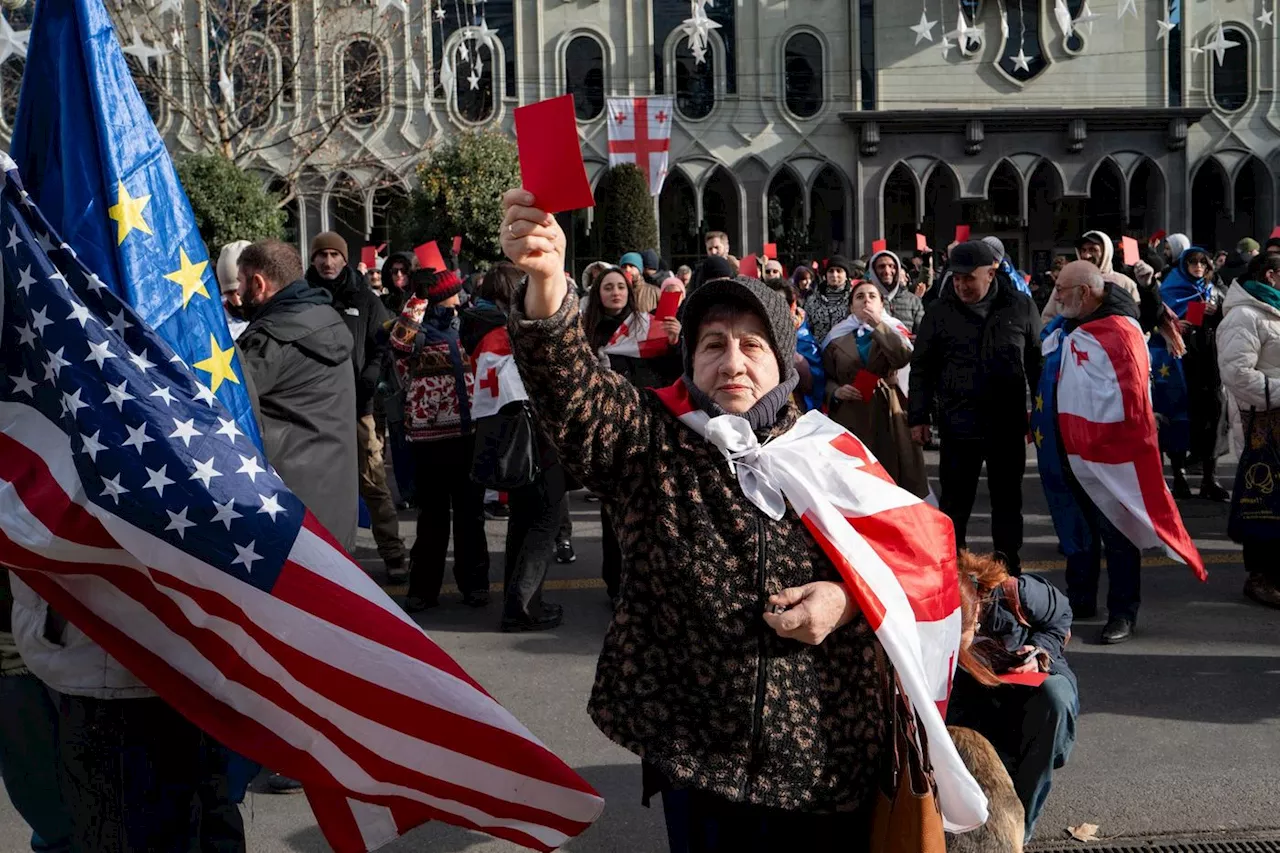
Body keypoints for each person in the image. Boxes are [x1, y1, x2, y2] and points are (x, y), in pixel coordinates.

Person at [500, 189, 897, 851]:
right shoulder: (649, 438)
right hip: (701, 759)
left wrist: (846, 599)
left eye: (750, 344)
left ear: (781, 361)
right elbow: (571, 390)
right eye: (713, 344)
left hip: (829, 756)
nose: (733, 360)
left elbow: (912, 561)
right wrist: (546, 284)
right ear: (691, 359)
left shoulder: (835, 453)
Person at [908, 240, 1042, 575]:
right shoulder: (939, 312)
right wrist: (918, 417)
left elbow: (1037, 365)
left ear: (991, 273)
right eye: (956, 278)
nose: (962, 285)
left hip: (1007, 423)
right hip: (958, 423)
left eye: (969, 278)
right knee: (955, 504)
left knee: (1008, 503)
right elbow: (921, 368)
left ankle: (1008, 573)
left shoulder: (1021, 307)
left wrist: (1041, 418)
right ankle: (953, 574)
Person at [1032, 262, 1147, 643]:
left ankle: (1123, 611)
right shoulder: (1062, 327)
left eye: (1062, 290)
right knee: (1075, 527)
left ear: (1085, 292)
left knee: (1117, 531)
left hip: (1106, 450)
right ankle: (1080, 600)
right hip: (1064, 444)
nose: (1056, 296)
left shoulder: (1121, 330)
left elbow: (1130, 393)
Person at [462, 263, 566, 630]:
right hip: (532, 437)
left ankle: (518, 601)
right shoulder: (508, 332)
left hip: (506, 435)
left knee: (523, 521)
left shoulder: (482, 330)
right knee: (544, 518)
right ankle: (522, 606)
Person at [238, 239, 358, 550]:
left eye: (240, 281)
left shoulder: (271, 339)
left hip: (288, 505)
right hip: (336, 500)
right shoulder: (327, 318)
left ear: (259, 283)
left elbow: (229, 403)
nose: (237, 292)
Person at [948, 552, 1077, 842]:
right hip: (977, 695)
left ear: (975, 613)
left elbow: (1062, 616)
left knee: (1054, 698)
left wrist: (1039, 650)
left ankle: (1021, 832)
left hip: (1031, 689)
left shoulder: (1017, 594)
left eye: (961, 633)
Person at [390, 268, 492, 613]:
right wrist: (418, 298)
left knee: (470, 517)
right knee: (432, 518)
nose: (459, 298)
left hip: (467, 435)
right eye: (453, 294)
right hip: (429, 439)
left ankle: (475, 584)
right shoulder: (419, 331)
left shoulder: (466, 325)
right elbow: (399, 341)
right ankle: (423, 589)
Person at [305, 232, 407, 577]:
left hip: (359, 410)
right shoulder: (303, 298)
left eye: (335, 254)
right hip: (316, 411)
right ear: (313, 259)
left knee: (374, 483)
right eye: (322, 255)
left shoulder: (365, 299)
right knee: (321, 488)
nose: (328, 261)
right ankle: (327, 560)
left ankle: (393, 554)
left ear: (345, 259)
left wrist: (372, 373)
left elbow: (383, 342)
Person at [581, 265, 682, 601]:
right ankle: (616, 583)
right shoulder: (586, 331)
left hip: (647, 424)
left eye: (621, 287)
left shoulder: (646, 325)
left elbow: (671, 374)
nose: (615, 293)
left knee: (650, 507)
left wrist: (674, 342)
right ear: (598, 293)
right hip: (608, 428)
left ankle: (646, 582)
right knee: (613, 507)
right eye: (608, 287)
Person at [822, 280, 927, 497]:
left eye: (872, 296)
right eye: (860, 297)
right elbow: (824, 377)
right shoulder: (835, 336)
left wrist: (879, 325)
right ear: (851, 307)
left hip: (887, 410)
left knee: (889, 478)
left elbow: (902, 357)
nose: (866, 300)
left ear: (881, 304)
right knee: (853, 480)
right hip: (850, 413)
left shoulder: (894, 329)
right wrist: (836, 391)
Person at [1217, 252, 1280, 608]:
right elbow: (1238, 376)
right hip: (1262, 427)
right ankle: (1260, 577)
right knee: (1264, 502)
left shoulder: (1274, 309)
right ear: (1271, 275)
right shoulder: (1244, 315)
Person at [1152, 242, 1228, 501]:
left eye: (1202, 263)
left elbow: (1231, 319)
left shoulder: (1216, 290)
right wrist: (1174, 325)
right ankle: (1179, 475)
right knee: (1179, 415)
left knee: (1212, 417)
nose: (1197, 267)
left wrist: (1216, 312)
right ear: (1184, 265)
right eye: (1192, 263)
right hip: (1179, 364)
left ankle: (1210, 478)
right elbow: (1154, 317)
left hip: (1210, 362)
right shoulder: (1170, 287)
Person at [767, 279, 824, 412]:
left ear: (790, 305)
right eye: (770, 301)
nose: (774, 307)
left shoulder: (804, 337)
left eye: (780, 302)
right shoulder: (755, 330)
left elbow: (815, 382)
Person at [867, 248, 926, 334]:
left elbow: (923, 332)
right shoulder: (865, 300)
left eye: (891, 266)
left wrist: (916, 340)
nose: (887, 271)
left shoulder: (913, 300)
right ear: (873, 271)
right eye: (881, 266)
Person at [805, 255, 855, 344]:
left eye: (839, 271)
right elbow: (806, 328)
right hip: (818, 352)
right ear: (826, 274)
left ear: (846, 275)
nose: (834, 275)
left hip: (847, 352)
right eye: (831, 271)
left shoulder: (854, 298)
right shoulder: (813, 299)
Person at [216, 239, 251, 338]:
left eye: (238, 291)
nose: (237, 301)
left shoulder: (273, 313)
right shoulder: (214, 318)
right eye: (229, 293)